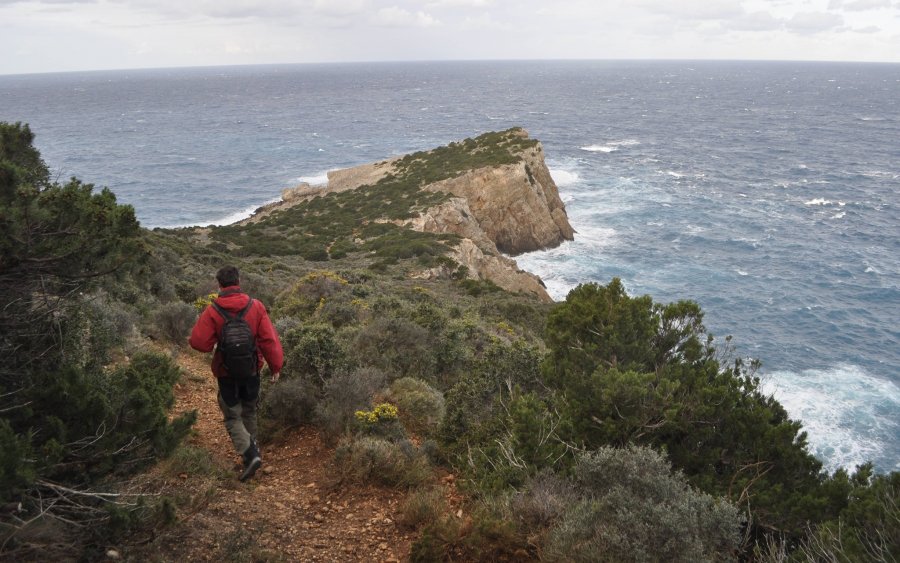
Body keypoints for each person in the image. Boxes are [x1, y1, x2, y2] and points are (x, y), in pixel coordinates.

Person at [189, 265, 283, 481]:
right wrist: (275, 366)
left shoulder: (213, 310)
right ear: (238, 281)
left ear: (219, 284)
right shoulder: (256, 306)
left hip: (226, 372)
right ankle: (254, 452)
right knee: (249, 410)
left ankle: (250, 455)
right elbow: (269, 340)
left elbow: (198, 343)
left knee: (232, 415)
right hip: (251, 369)